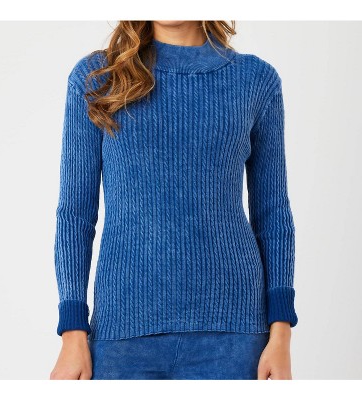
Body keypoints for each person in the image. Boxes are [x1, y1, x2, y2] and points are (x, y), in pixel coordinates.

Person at [50, 20, 298, 380]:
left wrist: (282, 333)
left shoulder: (255, 80)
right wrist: (72, 331)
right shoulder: (98, 77)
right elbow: (75, 213)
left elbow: (273, 214)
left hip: (235, 335)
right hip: (123, 336)